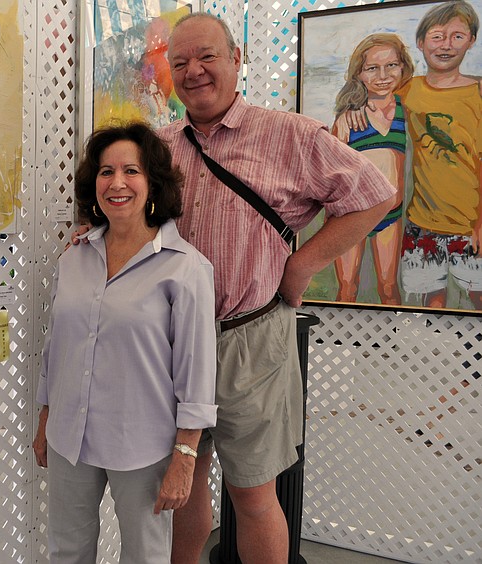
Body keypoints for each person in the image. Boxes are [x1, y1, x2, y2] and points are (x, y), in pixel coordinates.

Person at [147, 13, 396, 563]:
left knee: (253, 494)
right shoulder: (157, 148)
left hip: (251, 339)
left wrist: (304, 265)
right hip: (169, 346)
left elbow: (378, 194)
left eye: (207, 56)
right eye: (180, 61)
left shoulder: (291, 135)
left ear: (236, 59)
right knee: (179, 486)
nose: (194, 71)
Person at [34, 122, 218, 564]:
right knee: (65, 552)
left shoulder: (186, 268)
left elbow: (197, 374)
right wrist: (45, 419)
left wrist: (186, 456)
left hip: (143, 445)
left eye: (130, 171)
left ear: (152, 182)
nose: (116, 183)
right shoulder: (75, 256)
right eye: (105, 172)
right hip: (69, 436)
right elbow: (57, 348)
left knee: (145, 557)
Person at [349, 0, 482, 309]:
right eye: (437, 36)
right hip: (421, 223)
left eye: (457, 36)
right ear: (421, 43)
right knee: (430, 300)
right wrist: (352, 106)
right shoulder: (409, 89)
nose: (446, 45)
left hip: (469, 224)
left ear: (472, 40)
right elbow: (374, 92)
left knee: (477, 297)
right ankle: (430, 354)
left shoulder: (477, 94)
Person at [330, 33, 414, 305]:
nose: (383, 75)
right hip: (351, 217)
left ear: (403, 67)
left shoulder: (408, 109)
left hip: (390, 214)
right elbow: (330, 174)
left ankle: (394, 344)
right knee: (346, 287)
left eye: (391, 65)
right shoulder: (348, 119)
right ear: (359, 73)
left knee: (389, 287)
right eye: (372, 68)